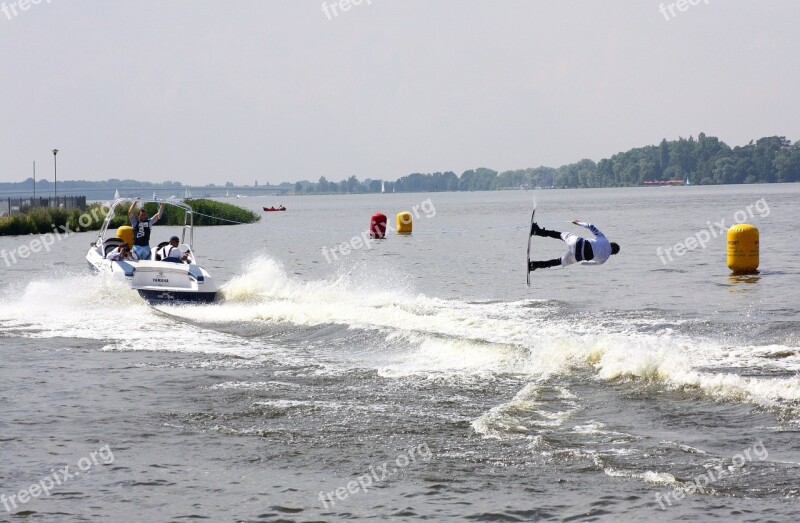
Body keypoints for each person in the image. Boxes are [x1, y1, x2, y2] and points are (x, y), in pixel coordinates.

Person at [529, 219, 620, 270]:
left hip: (578, 243)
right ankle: (534, 265)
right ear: (612, 254)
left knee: (561, 235)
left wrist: (578, 223)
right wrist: (579, 261)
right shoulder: (604, 260)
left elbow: (591, 226)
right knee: (559, 261)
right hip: (579, 256)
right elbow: (585, 264)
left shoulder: (604, 239)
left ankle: (537, 231)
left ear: (610, 243)